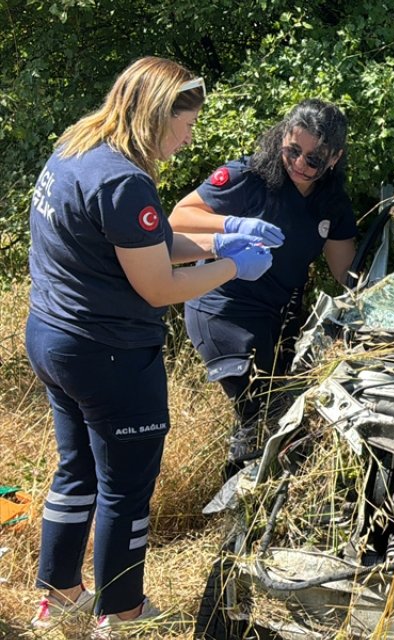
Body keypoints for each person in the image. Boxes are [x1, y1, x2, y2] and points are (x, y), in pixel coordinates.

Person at [24, 57, 273, 637]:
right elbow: (158, 284)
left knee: (77, 468)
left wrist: (222, 234)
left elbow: (145, 241)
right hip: (108, 353)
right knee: (126, 487)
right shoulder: (125, 179)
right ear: (157, 115)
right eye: (184, 126)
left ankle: (59, 594)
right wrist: (232, 265)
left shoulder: (78, 147)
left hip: (54, 338)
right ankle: (122, 611)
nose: (188, 141)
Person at [170, 99, 356, 473]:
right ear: (282, 138)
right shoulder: (249, 176)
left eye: (314, 159)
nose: (300, 164)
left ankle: (244, 486)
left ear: (333, 158)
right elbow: (178, 218)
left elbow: (347, 274)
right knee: (260, 411)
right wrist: (231, 228)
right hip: (222, 306)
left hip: (277, 316)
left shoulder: (331, 202)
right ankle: (244, 502)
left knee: (278, 415)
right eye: (292, 150)